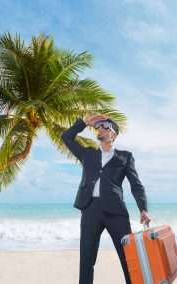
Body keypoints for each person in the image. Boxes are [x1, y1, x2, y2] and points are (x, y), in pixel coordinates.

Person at [61, 113, 151, 284]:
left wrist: (143, 209)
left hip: (116, 212)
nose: (100, 129)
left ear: (114, 134)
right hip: (90, 210)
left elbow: (136, 184)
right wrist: (83, 122)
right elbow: (66, 137)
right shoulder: (88, 154)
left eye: (105, 126)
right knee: (86, 259)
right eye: (98, 126)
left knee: (128, 259)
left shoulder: (125, 157)